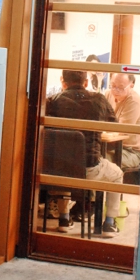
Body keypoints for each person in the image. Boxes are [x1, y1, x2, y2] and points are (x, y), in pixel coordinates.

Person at [46, 69, 123, 237]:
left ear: (63, 81)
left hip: (57, 169)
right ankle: (109, 223)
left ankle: (64, 219)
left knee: (66, 163)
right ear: (86, 82)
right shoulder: (99, 99)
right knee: (117, 174)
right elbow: (114, 125)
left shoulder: (53, 101)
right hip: (90, 169)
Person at [104, 73, 140, 173]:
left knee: (100, 160)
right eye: (113, 86)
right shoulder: (108, 94)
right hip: (109, 146)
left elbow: (121, 131)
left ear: (131, 85)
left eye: (121, 87)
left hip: (130, 151)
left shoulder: (134, 101)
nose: (115, 90)